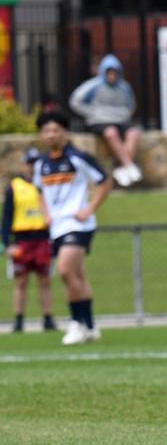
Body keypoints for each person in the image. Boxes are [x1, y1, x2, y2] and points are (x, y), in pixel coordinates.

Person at [33, 110, 112, 345]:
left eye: (55, 129)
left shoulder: (78, 157)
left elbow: (104, 180)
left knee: (65, 270)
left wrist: (89, 209)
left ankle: (76, 323)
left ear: (65, 132)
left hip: (78, 225)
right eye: (46, 130)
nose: (50, 134)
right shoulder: (41, 163)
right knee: (78, 275)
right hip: (57, 226)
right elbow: (39, 191)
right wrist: (46, 214)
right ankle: (89, 325)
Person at [1, 147, 57, 333]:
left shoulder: (47, 184)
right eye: (29, 163)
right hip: (22, 239)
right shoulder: (15, 186)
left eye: (35, 163)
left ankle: (48, 319)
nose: (32, 167)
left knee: (45, 280)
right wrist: (6, 244)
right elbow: (7, 217)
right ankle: (18, 320)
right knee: (21, 281)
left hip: (42, 237)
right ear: (24, 164)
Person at [69, 54, 141, 188]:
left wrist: (124, 114)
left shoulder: (124, 87)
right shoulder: (93, 85)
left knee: (133, 133)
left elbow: (131, 105)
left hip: (120, 119)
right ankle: (129, 166)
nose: (112, 76)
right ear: (103, 72)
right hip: (99, 121)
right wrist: (91, 113)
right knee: (111, 133)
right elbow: (75, 101)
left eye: (115, 73)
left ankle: (123, 168)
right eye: (109, 72)